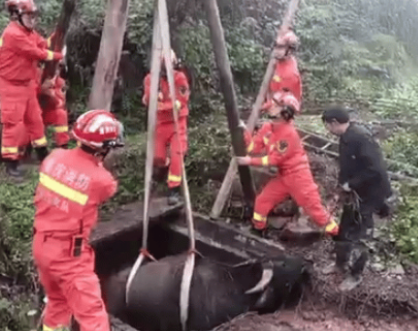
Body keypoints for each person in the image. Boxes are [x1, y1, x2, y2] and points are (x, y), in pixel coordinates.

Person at [32, 109, 124, 331]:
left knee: (57, 303)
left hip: (42, 247)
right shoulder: (102, 181)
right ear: (104, 148)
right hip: (69, 257)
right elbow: (103, 186)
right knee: (93, 318)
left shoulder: (53, 158)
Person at [236, 91, 339, 237]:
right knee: (262, 201)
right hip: (284, 176)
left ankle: (338, 234)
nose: (271, 106)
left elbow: (273, 160)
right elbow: (253, 148)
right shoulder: (267, 128)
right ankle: (258, 230)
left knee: (315, 211)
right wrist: (245, 133)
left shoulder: (289, 134)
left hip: (299, 178)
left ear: (285, 112)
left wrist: (249, 161)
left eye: (277, 104)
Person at [322, 107, 392, 291]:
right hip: (355, 193)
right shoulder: (345, 138)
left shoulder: (361, 138)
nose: (328, 129)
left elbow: (375, 169)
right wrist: (341, 189)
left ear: (334, 123)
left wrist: (351, 184)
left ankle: (355, 275)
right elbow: (346, 167)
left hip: (370, 194)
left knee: (361, 236)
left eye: (328, 125)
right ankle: (340, 264)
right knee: (343, 229)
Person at [0, 0, 63, 179]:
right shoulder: (13, 34)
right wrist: (58, 56)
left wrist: (53, 41)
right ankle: (11, 163)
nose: (33, 19)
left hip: (26, 84)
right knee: (13, 125)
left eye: (34, 15)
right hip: (10, 85)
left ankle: (42, 153)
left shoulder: (27, 32)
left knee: (35, 120)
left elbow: (41, 43)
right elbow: (37, 53)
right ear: (16, 15)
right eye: (29, 15)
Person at [142, 49, 191, 205]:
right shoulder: (150, 79)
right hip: (160, 123)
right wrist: (157, 101)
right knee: (158, 156)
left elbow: (181, 100)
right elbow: (150, 100)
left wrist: (164, 104)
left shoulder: (179, 77)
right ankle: (161, 171)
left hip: (177, 122)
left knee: (177, 155)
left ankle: (173, 190)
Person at [261, 29, 302, 112]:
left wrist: (261, 108)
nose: (276, 50)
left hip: (283, 112)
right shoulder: (279, 63)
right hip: (272, 105)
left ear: (290, 50)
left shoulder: (289, 73)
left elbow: (281, 100)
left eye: (280, 47)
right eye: (276, 46)